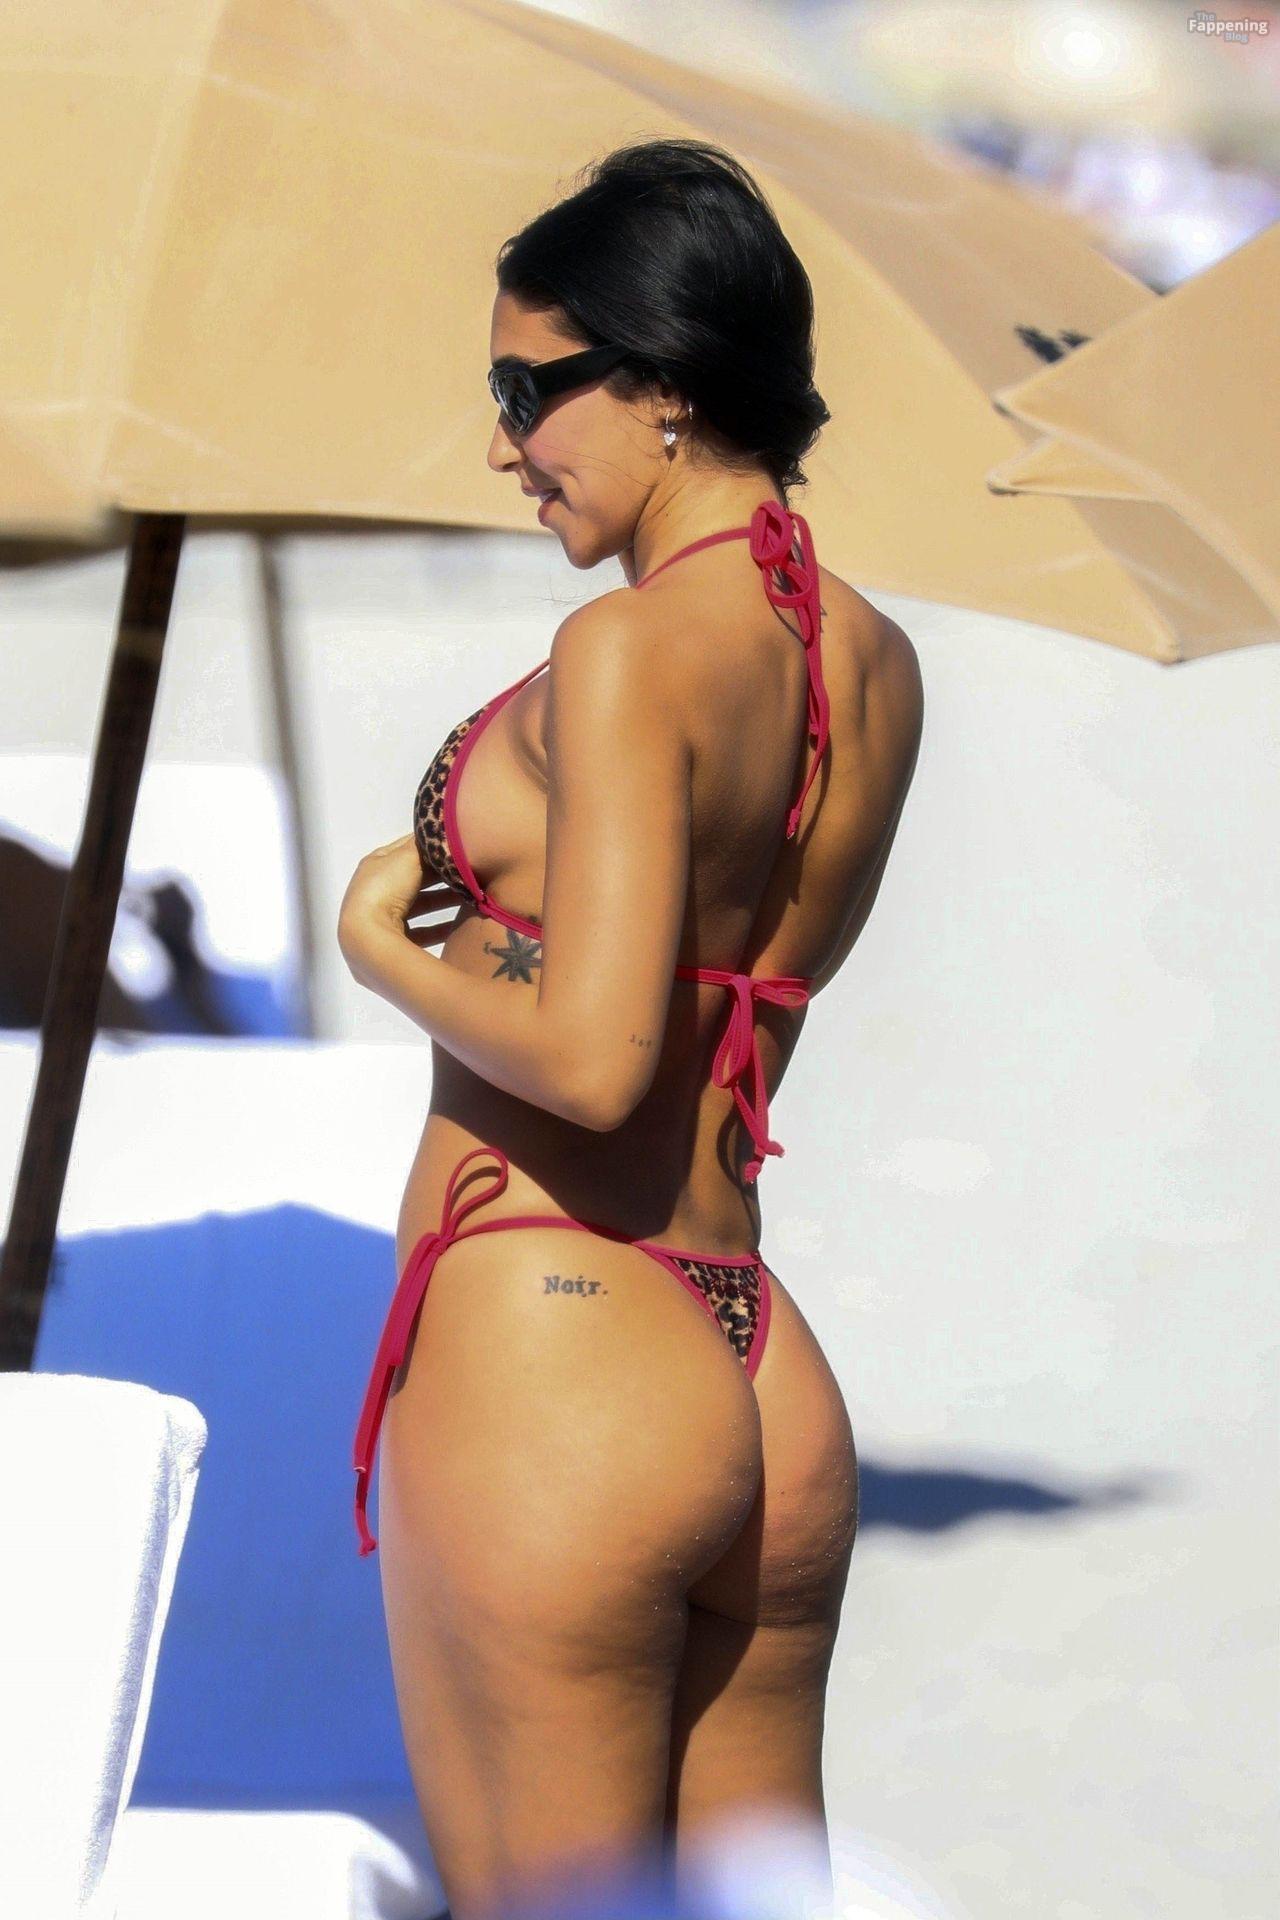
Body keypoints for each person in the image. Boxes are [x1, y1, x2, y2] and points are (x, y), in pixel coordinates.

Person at [337, 138, 923, 1920]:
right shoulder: (869, 661)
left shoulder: (628, 652)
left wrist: (382, 945)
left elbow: (595, 1064)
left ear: (663, 382)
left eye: (530, 390)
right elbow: (727, 998)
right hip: (751, 1355)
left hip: (560, 1336)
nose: (503, 444)